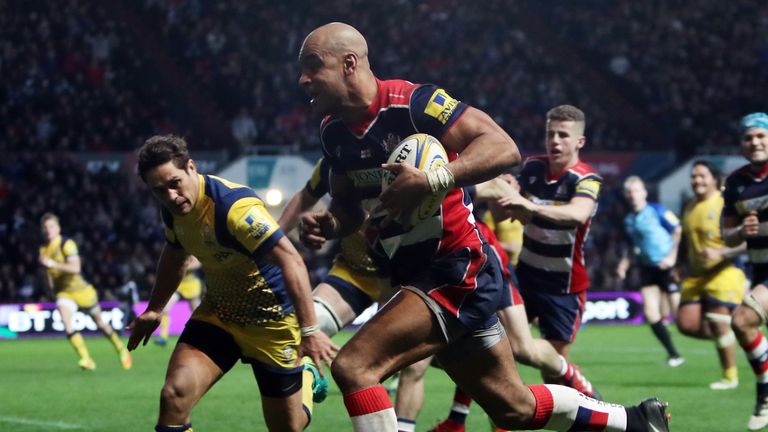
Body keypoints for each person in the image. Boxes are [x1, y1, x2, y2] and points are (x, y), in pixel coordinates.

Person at [297, 22, 668, 432]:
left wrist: (433, 179)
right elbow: (350, 208)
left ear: (350, 64)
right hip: (413, 276)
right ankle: (636, 421)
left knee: (354, 366)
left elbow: (503, 148)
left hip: (456, 270)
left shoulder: (414, 104)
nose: (303, 79)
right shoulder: (333, 133)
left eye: (313, 66)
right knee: (514, 409)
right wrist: (330, 224)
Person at [127, 135, 337, 432]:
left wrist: (310, 331)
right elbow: (175, 256)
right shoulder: (173, 211)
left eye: (174, 183)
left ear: (191, 167)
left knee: (289, 428)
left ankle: (304, 377)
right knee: (173, 396)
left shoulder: (234, 208)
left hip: (271, 323)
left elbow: (292, 261)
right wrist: (154, 309)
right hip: (220, 315)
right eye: (159, 191)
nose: (171, 196)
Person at [396, 178, 600, 432]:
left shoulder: (462, 167)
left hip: (492, 267)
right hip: (448, 269)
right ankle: (456, 422)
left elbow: (508, 213)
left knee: (522, 350)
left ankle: (568, 372)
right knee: (439, 357)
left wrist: (513, 195)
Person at [495, 105, 601, 367]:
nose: (554, 140)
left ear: (580, 141)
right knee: (494, 345)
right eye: (550, 134)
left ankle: (590, 402)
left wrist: (528, 206)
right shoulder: (533, 168)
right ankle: (459, 411)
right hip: (526, 277)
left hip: (564, 286)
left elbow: (578, 214)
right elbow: (502, 216)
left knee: (554, 365)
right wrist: (501, 189)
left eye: (563, 135)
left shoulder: (587, 179)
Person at [278, 157, 394, 339]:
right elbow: (305, 197)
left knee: (395, 361)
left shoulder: (410, 147)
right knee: (299, 337)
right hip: (355, 271)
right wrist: (271, 239)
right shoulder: (333, 156)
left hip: (407, 276)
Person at [677, 160, 746, 390]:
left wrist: (723, 251)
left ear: (714, 179)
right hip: (697, 275)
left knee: (718, 321)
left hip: (725, 270)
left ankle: (730, 376)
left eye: (702, 176)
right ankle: (734, 334)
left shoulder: (725, 203)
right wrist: (678, 265)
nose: (697, 180)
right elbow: (686, 240)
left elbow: (748, 238)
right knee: (686, 324)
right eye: (693, 176)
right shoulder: (689, 205)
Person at [38, 213, 132, 371]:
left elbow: (75, 268)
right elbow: (48, 272)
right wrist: (52, 290)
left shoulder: (67, 244)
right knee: (67, 325)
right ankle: (86, 359)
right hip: (64, 293)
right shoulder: (43, 249)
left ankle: (120, 348)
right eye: (46, 227)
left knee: (100, 323)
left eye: (52, 226)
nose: (49, 230)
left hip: (82, 291)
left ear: (58, 228)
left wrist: (52, 263)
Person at [725, 112, 768, 430]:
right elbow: (726, 234)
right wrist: (742, 231)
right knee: (742, 322)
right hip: (761, 271)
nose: (755, 142)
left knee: (742, 319)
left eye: (761, 135)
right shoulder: (736, 183)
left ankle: (765, 394)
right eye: (748, 137)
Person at [617, 176, 685, 367]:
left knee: (680, 318)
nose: (633, 195)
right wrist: (624, 263)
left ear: (644, 193)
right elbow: (631, 247)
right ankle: (673, 354)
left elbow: (677, 229)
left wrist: (672, 256)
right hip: (647, 268)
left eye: (636, 190)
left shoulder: (657, 210)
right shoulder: (629, 220)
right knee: (650, 313)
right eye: (629, 192)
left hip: (667, 267)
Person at [154, 256, 204, 346]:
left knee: (196, 313)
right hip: (178, 284)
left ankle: (200, 336)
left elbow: (199, 263)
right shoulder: (176, 249)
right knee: (165, 309)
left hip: (191, 285)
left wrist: (183, 267)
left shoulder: (191, 250)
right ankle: (163, 337)